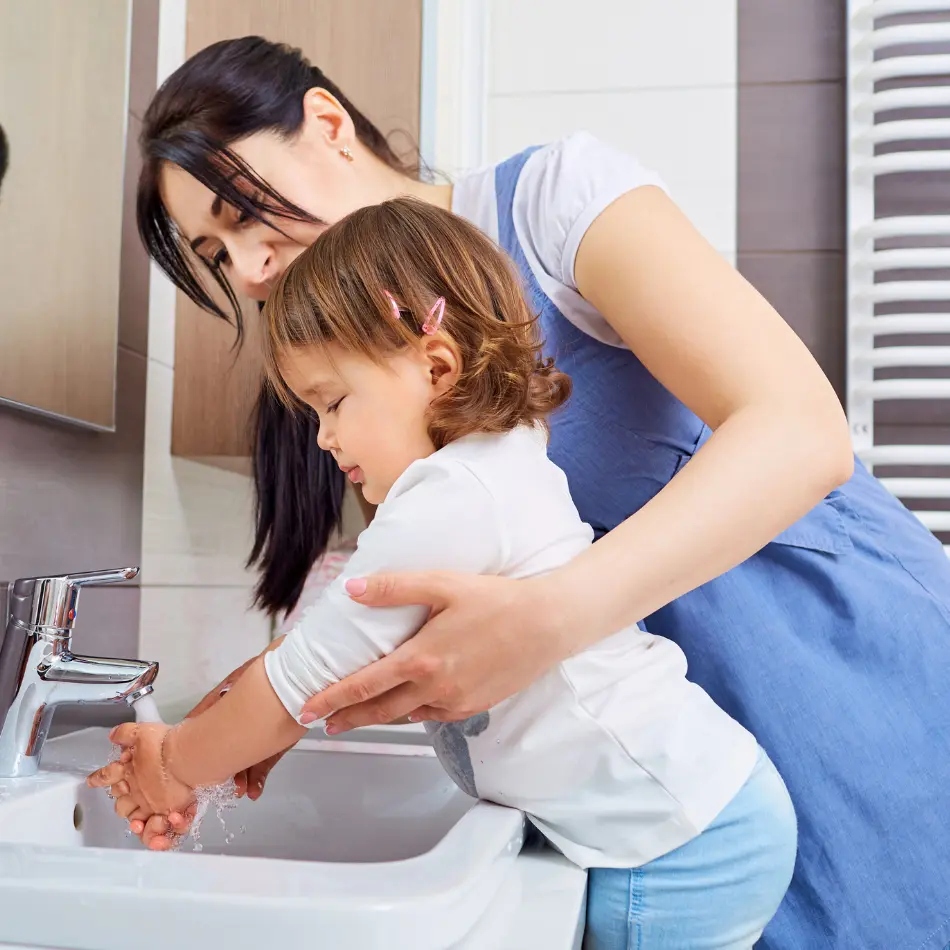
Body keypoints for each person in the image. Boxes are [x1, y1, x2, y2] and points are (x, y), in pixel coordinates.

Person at [132, 36, 950, 950]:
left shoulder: (550, 203)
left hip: (828, 651)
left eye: (244, 213)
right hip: (660, 743)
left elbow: (801, 431)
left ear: (326, 123)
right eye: (216, 254)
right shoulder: (365, 371)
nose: (246, 270)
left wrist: (544, 620)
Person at [90, 197, 797, 948]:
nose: (325, 438)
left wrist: (175, 763)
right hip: (691, 811)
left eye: (331, 403)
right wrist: (243, 726)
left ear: (435, 366)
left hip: (680, 840)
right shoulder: (495, 463)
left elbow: (298, 681)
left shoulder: (453, 494)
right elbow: (318, 671)